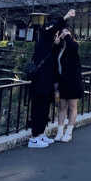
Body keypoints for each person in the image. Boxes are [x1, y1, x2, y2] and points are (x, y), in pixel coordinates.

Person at [27, 16, 58, 149]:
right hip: (39, 82)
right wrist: (66, 17)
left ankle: (40, 133)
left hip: (47, 82)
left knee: (45, 109)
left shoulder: (49, 45)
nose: (56, 35)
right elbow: (51, 31)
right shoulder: (43, 39)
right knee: (38, 108)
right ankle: (34, 138)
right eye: (54, 32)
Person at [54, 12, 83, 143]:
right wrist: (57, 41)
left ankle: (69, 132)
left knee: (72, 106)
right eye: (62, 31)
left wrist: (67, 37)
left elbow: (73, 46)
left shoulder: (73, 46)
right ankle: (59, 131)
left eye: (66, 31)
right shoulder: (59, 48)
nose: (64, 33)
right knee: (61, 106)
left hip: (73, 80)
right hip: (62, 81)